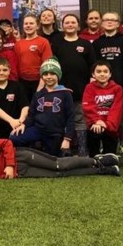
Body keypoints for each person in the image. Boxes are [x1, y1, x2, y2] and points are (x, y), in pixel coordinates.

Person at [9, 58, 76, 156]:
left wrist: (67, 139)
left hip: (56, 133)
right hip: (38, 130)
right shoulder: (38, 94)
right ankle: (27, 158)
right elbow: (31, 115)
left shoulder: (65, 93)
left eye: (52, 74)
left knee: (54, 159)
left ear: (58, 75)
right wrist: (23, 125)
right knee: (14, 137)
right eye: (45, 74)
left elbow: (71, 117)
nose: (49, 77)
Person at [51, 13, 96, 150]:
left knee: (80, 118)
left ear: (78, 26)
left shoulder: (86, 44)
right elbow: (53, 67)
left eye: (73, 22)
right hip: (61, 90)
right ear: (62, 26)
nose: (70, 25)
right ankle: (66, 149)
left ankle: (82, 149)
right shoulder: (57, 44)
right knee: (63, 119)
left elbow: (92, 66)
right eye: (67, 22)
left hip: (81, 90)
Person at [81, 61, 123, 158]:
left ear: (110, 74)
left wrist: (107, 124)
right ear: (93, 74)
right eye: (99, 71)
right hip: (95, 125)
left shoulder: (117, 89)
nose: (102, 74)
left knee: (109, 156)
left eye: (105, 71)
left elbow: (116, 110)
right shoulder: (89, 88)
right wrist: (97, 121)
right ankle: (94, 157)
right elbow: (88, 106)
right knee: (94, 132)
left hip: (110, 126)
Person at [0, 57, 29, 139]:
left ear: (9, 71)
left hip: (17, 125)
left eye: (5, 70)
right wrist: (11, 121)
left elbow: (25, 106)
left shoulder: (17, 85)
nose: (1, 73)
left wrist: (20, 121)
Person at [93, 12, 123, 92]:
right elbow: (93, 64)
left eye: (113, 20)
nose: (109, 22)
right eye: (106, 20)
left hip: (122, 86)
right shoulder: (96, 43)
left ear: (118, 24)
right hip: (101, 85)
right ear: (102, 24)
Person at [14, 14, 53, 101]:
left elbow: (47, 65)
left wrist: (41, 84)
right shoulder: (18, 44)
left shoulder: (43, 42)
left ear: (37, 26)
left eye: (31, 23)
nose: (28, 26)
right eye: (26, 24)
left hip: (39, 82)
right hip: (22, 83)